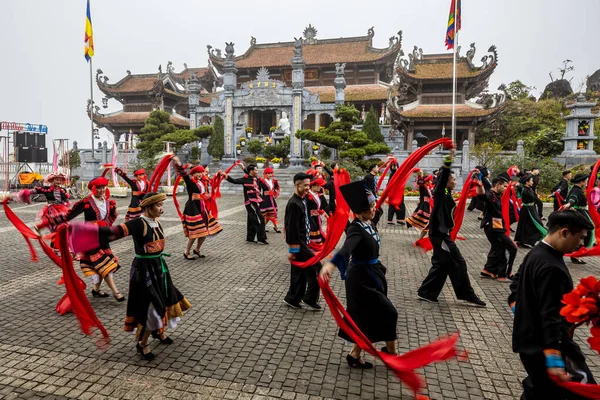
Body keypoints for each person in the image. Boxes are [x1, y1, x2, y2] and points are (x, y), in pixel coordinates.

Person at [75, 192, 192, 360]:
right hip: (144, 270)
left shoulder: (156, 222)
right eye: (158, 205)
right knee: (153, 306)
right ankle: (142, 344)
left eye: (161, 205)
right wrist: (86, 230)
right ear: (148, 207)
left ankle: (158, 332)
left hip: (159, 267)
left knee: (164, 299)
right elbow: (115, 232)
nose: (161, 209)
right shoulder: (138, 223)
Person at [508, 210, 596, 399]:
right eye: (580, 237)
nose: (581, 244)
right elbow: (551, 315)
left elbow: (515, 286)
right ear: (564, 232)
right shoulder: (552, 268)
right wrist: (554, 357)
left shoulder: (537, 252)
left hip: (528, 341)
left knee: (538, 389)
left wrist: (524, 312)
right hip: (545, 346)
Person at [320, 181, 398, 369]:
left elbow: (378, 206)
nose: (374, 209)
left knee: (369, 317)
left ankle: (355, 355)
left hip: (374, 274)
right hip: (361, 280)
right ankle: (392, 353)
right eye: (371, 206)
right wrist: (331, 265)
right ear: (360, 210)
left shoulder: (369, 221)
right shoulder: (356, 228)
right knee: (388, 312)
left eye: (373, 205)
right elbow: (347, 249)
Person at [417, 151, 486, 307]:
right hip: (440, 236)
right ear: (446, 181)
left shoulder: (447, 192)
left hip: (441, 233)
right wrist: (449, 160)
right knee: (458, 262)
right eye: (453, 179)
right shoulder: (441, 191)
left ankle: (426, 293)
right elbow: (443, 179)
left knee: (442, 264)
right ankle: (468, 294)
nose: (455, 182)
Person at [38, 177, 125, 301]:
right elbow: (69, 215)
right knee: (105, 264)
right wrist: (47, 223)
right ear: (93, 189)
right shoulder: (86, 202)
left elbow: (112, 216)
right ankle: (116, 292)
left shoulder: (107, 202)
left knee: (100, 265)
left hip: (102, 237)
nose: (101, 190)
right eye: (98, 188)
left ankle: (96, 289)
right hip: (90, 238)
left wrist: (107, 227)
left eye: (103, 188)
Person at [283, 173, 322, 310]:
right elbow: (291, 228)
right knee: (317, 268)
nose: (307, 188)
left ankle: (293, 299)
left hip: (304, 243)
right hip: (299, 244)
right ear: (297, 185)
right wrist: (292, 250)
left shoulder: (303, 199)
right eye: (305, 185)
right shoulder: (294, 203)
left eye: (308, 185)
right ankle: (309, 298)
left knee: (299, 273)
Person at [173, 159, 223, 260]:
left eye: (201, 172)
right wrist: (178, 163)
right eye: (197, 173)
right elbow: (184, 174)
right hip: (192, 209)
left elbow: (207, 188)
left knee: (205, 230)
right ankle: (186, 252)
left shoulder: (202, 182)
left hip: (202, 207)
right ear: (193, 174)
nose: (200, 174)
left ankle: (197, 249)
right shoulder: (190, 182)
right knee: (194, 232)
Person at [478, 175, 517, 281]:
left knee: (498, 247)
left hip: (497, 226)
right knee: (511, 248)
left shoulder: (498, 195)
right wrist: (479, 185)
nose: (506, 189)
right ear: (498, 185)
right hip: (492, 227)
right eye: (504, 186)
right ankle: (505, 273)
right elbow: (482, 196)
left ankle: (489, 270)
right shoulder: (490, 195)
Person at [17, 173, 70, 249]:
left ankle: (60, 246)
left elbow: (66, 199)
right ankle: (55, 247)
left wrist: (66, 203)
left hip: (62, 210)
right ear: (52, 180)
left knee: (64, 228)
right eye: (56, 180)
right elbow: (35, 190)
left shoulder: (63, 190)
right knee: (56, 228)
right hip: (52, 210)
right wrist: (26, 192)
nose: (58, 182)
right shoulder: (47, 189)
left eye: (60, 180)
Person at [226, 164, 268, 245]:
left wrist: (243, 168)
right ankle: (261, 238)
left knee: (252, 219)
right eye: (256, 170)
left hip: (257, 201)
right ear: (252, 171)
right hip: (250, 202)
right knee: (260, 219)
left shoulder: (257, 179)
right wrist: (226, 176)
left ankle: (250, 237)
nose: (257, 171)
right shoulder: (245, 179)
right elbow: (234, 181)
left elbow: (265, 188)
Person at [562, 173, 592, 265]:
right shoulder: (576, 190)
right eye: (586, 181)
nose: (587, 183)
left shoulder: (577, 189)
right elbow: (572, 199)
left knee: (583, 233)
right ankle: (575, 254)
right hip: (579, 214)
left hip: (581, 213)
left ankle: (576, 253)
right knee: (582, 233)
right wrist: (569, 204)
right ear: (581, 181)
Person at [514, 174, 546, 249]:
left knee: (531, 225)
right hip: (527, 209)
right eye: (531, 181)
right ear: (526, 182)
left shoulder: (530, 189)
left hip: (532, 208)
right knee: (528, 226)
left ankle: (524, 241)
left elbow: (535, 198)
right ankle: (525, 241)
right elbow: (518, 186)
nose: (533, 182)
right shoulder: (523, 188)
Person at [406, 171, 433, 242]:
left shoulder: (428, 188)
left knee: (428, 225)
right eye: (429, 181)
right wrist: (420, 175)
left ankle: (421, 240)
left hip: (430, 207)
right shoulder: (422, 186)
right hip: (425, 206)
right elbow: (420, 181)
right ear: (425, 181)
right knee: (427, 224)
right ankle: (421, 240)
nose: (430, 182)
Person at [306, 177, 329, 246]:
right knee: (314, 231)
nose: (320, 188)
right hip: (311, 218)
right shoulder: (307, 195)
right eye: (319, 186)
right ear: (313, 186)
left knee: (318, 230)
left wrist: (321, 211)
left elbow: (318, 207)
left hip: (316, 218)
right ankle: (314, 246)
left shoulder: (317, 195)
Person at [259, 167, 281, 233]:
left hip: (271, 198)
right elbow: (258, 190)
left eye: (271, 173)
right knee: (266, 215)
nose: (270, 175)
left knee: (271, 214)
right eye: (268, 173)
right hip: (265, 199)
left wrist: (275, 192)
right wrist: (259, 198)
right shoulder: (262, 181)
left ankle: (274, 227)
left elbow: (277, 187)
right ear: (265, 174)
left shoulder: (274, 181)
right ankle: (264, 227)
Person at [363, 164, 383, 230]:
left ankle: (373, 225)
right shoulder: (368, 177)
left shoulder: (373, 177)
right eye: (377, 168)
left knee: (379, 212)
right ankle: (372, 225)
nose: (378, 169)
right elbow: (366, 188)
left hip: (374, 198)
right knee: (377, 212)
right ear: (373, 169)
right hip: (371, 199)